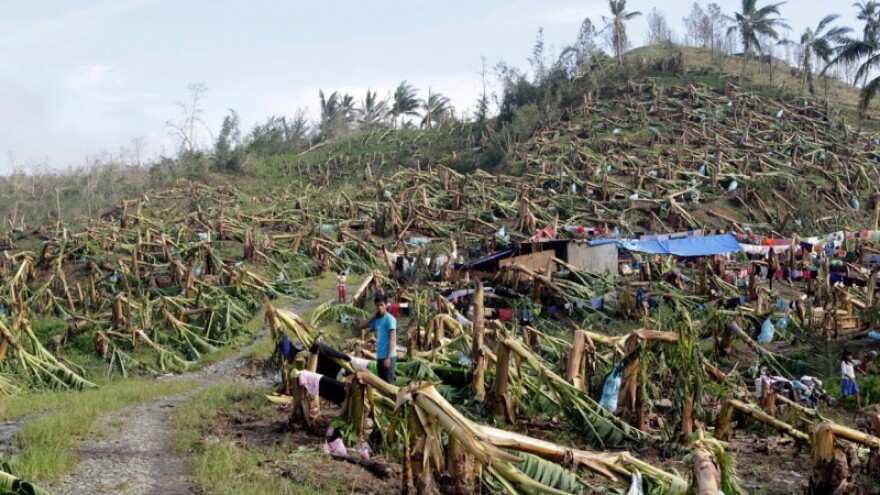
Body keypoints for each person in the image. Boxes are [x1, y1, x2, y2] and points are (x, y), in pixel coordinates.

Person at [358, 295, 397, 384]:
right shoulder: (377, 320)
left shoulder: (390, 319)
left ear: (386, 305)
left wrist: (388, 357)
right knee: (381, 383)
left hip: (388, 356)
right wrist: (373, 316)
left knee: (389, 383)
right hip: (380, 356)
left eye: (381, 305)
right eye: (377, 305)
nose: (379, 307)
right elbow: (361, 326)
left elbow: (392, 339)